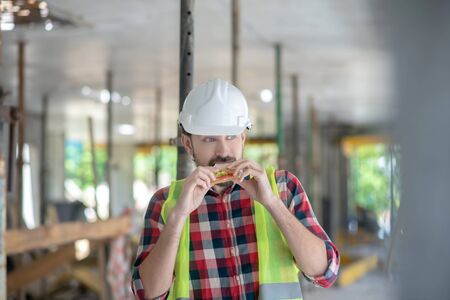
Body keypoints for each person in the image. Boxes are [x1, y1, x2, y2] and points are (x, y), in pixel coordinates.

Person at [131, 79, 339, 299]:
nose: (224, 151)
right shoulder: (165, 203)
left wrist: (272, 203)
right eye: (209, 139)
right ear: (188, 144)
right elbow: (147, 294)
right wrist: (178, 216)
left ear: (243, 137)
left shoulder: (282, 188)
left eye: (231, 137)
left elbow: (326, 272)